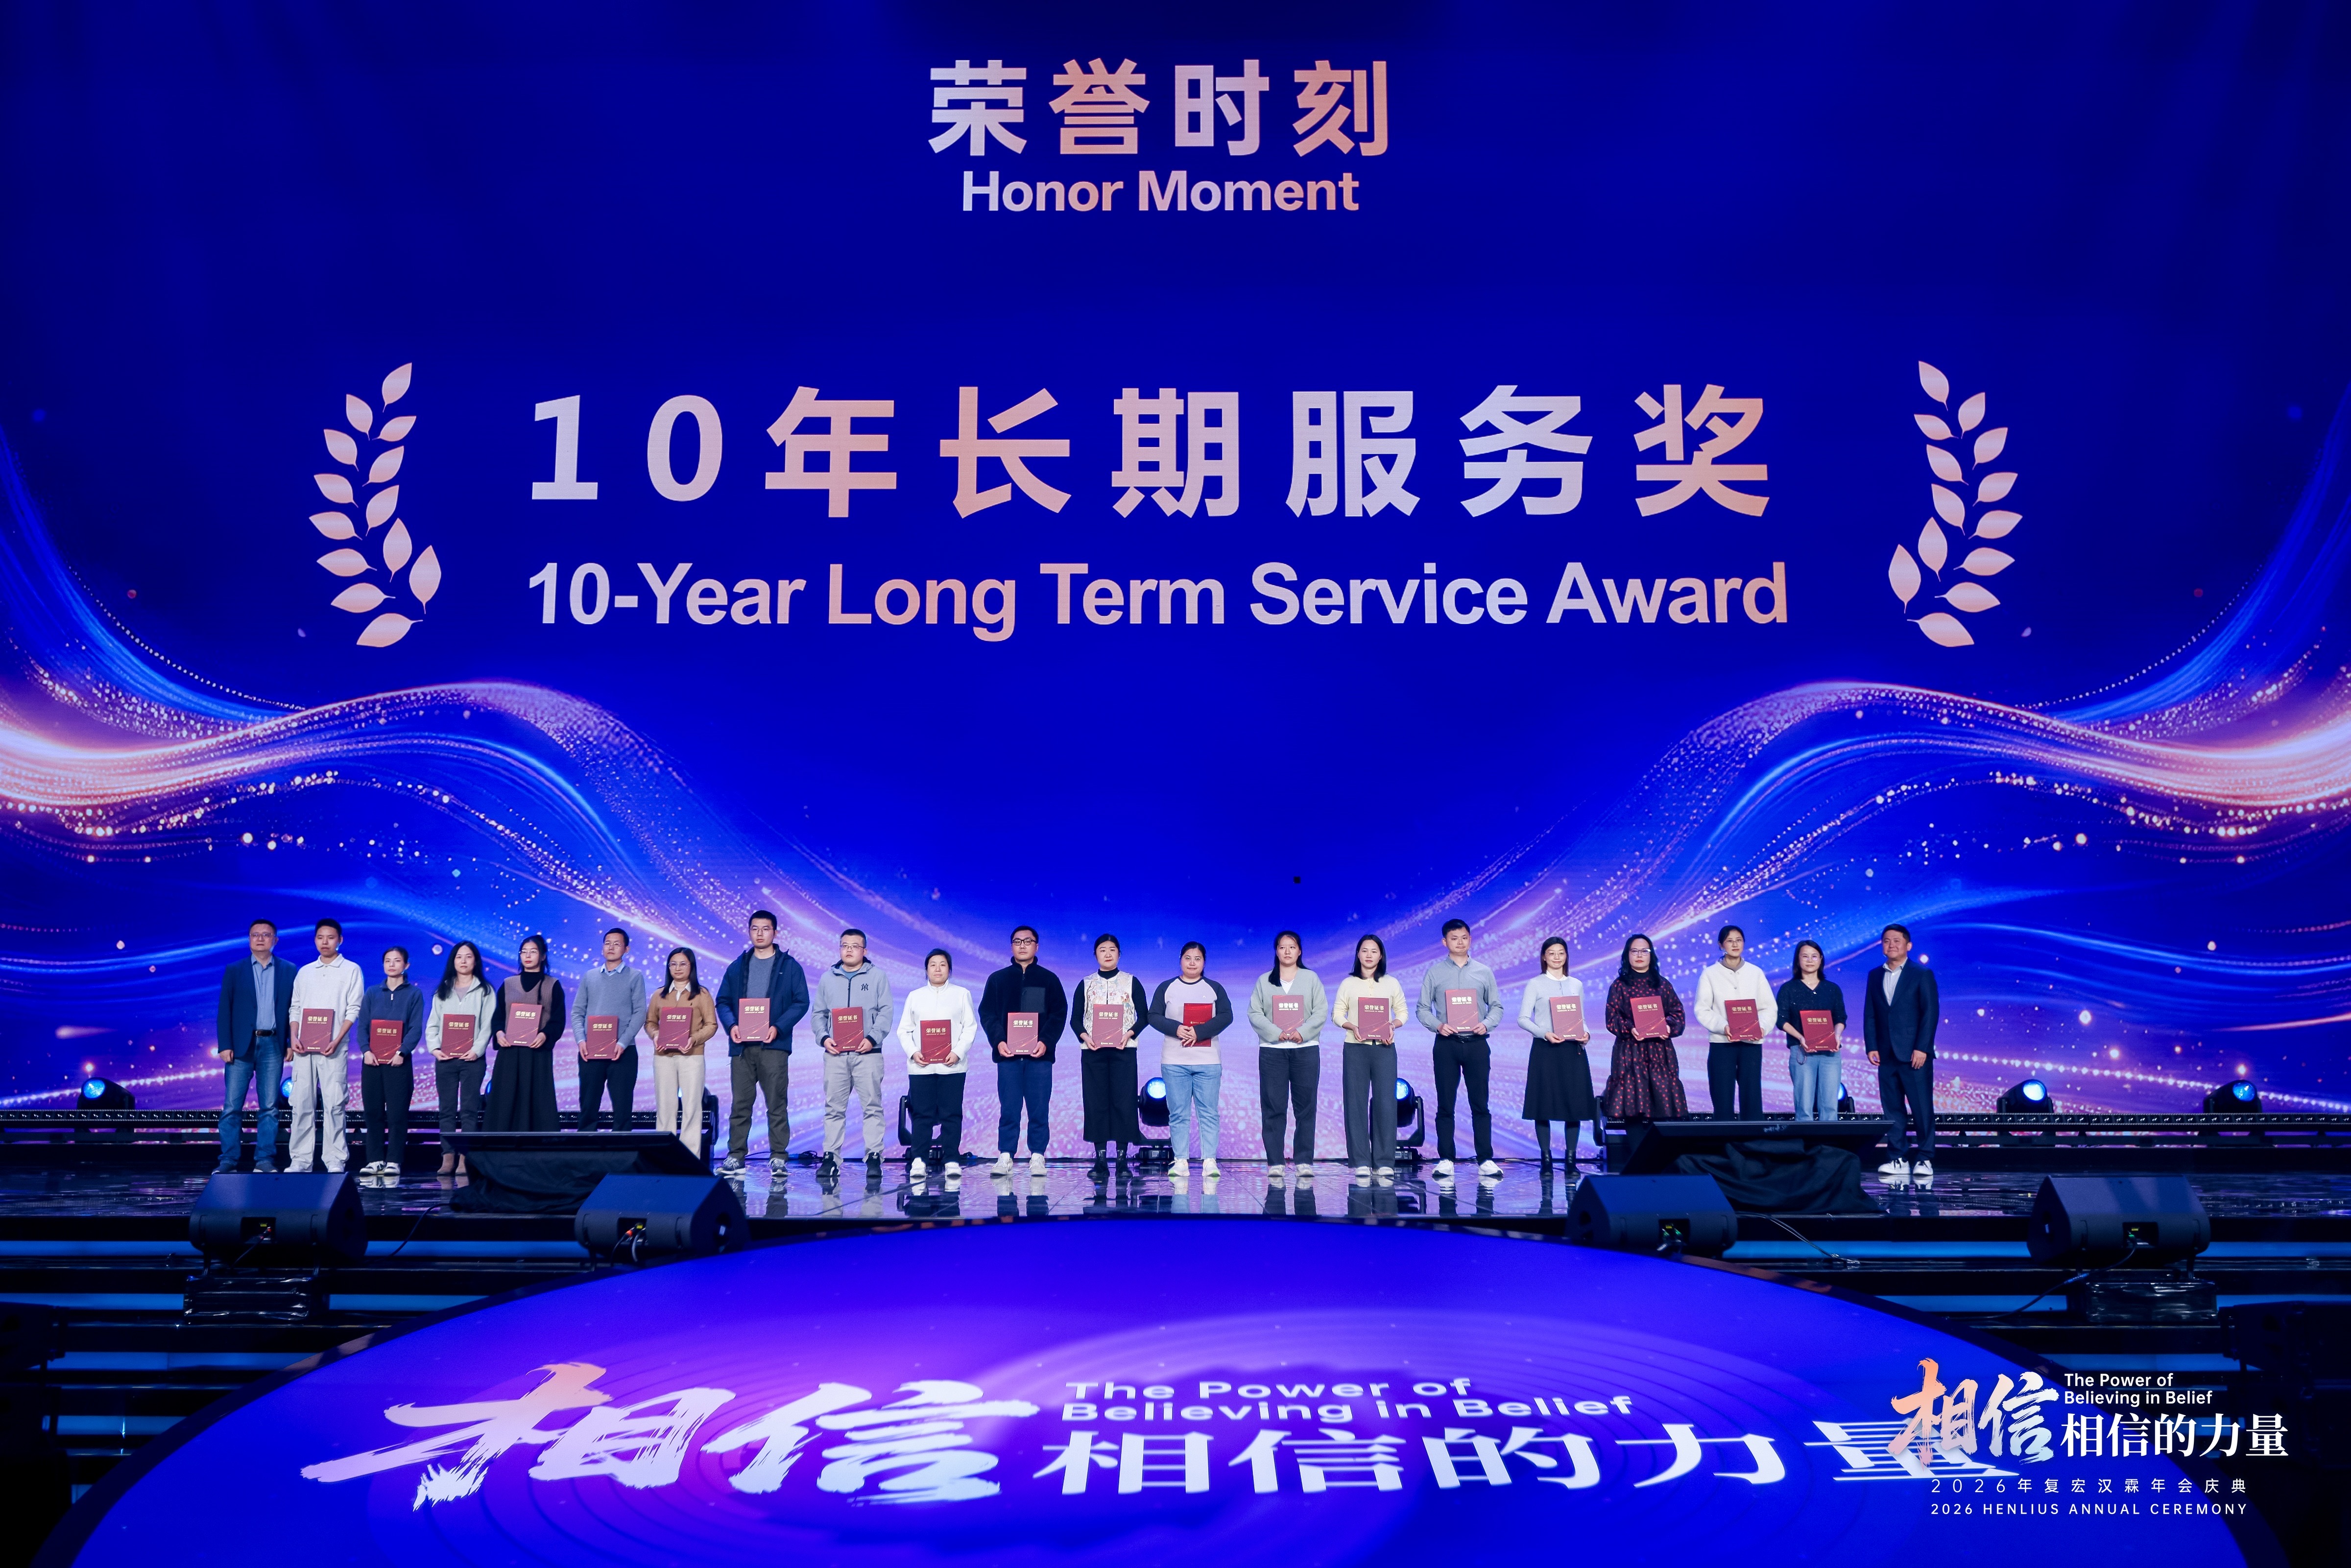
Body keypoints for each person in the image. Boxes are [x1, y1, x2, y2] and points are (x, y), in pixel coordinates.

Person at [715, 910, 810, 1173]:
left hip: (774, 1047)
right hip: (742, 1047)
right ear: (749, 932)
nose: (760, 934)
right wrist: (732, 1026)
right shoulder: (737, 967)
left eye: (766, 929)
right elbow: (722, 1001)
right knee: (740, 1104)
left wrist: (778, 1027)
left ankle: (778, 1156)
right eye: (755, 929)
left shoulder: (789, 967)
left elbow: (801, 1002)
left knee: (777, 1104)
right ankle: (736, 1156)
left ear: (775, 933)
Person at [1416, 918, 1505, 1179]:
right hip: (1447, 1045)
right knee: (1446, 1104)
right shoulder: (1434, 973)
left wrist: (1486, 1024)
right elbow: (1422, 1009)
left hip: (1477, 1044)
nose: (1460, 942)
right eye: (1454, 939)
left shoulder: (1484, 972)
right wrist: (1438, 1025)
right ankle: (1446, 1159)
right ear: (1445, 942)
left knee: (1481, 1104)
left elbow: (1497, 1007)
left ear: (1470, 940)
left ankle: (1485, 1159)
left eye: (1464, 938)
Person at [979, 926, 1068, 1176]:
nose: (1022, 945)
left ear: (1037, 946)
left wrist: (1046, 1042)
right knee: (1009, 1108)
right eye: (1017, 942)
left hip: (1039, 1057)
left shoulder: (1049, 979)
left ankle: (1038, 1156)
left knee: (1039, 1108)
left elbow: (1059, 1014)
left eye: (1028, 941)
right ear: (1011, 947)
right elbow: (987, 1014)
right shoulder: (998, 979)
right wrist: (999, 1041)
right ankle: (1006, 1155)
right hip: (1008, 1055)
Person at [1147, 942, 1236, 1180]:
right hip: (1175, 1060)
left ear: (1204, 962)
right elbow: (1153, 1016)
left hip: (1208, 1061)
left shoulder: (1214, 988)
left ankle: (1209, 1161)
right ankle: (1181, 1161)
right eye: (1188, 958)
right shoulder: (1167, 987)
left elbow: (1227, 1016)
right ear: (1180, 960)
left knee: (1208, 1112)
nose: (1192, 963)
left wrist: (1200, 1032)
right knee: (1178, 1113)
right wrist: (1177, 1029)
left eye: (1198, 959)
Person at [213, 918, 296, 1173]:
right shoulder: (235, 970)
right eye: (255, 935)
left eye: (266, 935)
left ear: (275, 940)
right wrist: (225, 1044)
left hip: (273, 1045)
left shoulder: (289, 970)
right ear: (249, 939)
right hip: (240, 1046)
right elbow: (224, 1009)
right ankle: (229, 1160)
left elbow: (294, 1010)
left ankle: (264, 1160)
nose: (260, 939)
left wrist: (290, 1042)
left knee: (269, 1107)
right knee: (232, 1107)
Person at [286, 917, 365, 1173]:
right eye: (320, 938)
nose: (325, 942)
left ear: (340, 940)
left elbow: (354, 1008)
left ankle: (335, 1159)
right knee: (301, 1103)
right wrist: (294, 1037)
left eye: (331, 938)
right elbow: (295, 1007)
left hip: (334, 1048)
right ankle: (300, 1160)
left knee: (334, 1104)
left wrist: (337, 1039)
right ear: (315, 940)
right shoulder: (305, 972)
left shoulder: (351, 970)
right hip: (303, 1048)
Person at [1247, 931, 1327, 1179]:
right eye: (1283, 947)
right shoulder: (1264, 981)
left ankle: (1304, 1161)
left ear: (1300, 951)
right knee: (1273, 1106)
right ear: (1277, 951)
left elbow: (1321, 1011)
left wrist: (1303, 1032)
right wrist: (1275, 1033)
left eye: (1292, 947)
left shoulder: (1311, 978)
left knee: (1306, 1108)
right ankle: (1275, 1162)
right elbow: (1254, 1013)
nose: (1288, 951)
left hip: (1306, 1050)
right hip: (1273, 1052)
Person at [814, 928, 893, 1179]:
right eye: (844, 946)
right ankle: (831, 1157)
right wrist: (824, 1038)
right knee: (833, 1108)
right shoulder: (828, 978)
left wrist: (872, 1039)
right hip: (836, 1055)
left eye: (854, 946)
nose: (848, 950)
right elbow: (818, 1014)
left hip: (868, 1054)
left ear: (865, 951)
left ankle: (874, 1157)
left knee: (872, 1107)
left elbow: (886, 1012)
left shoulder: (878, 976)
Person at [1865, 923, 1940, 1179]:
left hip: (1914, 1054)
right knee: (1892, 1109)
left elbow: (1930, 1013)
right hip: (1885, 1055)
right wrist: (1872, 1046)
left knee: (1921, 1108)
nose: (1891, 945)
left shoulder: (1922, 974)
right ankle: (1898, 1158)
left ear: (1908, 945)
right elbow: (1870, 1013)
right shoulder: (1875, 975)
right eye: (1887, 941)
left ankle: (1925, 1158)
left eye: (1897, 941)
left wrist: (1922, 1048)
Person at [1333, 933, 1410, 1179]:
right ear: (1358, 955)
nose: (1369, 955)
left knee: (1386, 1104)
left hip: (1384, 1049)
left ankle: (1384, 1161)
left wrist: (1392, 1026)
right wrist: (1351, 1026)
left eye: (1374, 951)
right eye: (1364, 951)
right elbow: (1337, 1014)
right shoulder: (1348, 984)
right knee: (1355, 1104)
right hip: (1355, 1048)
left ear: (1381, 955)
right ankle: (1361, 1161)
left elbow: (1403, 1012)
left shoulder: (1391, 983)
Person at [1516, 936, 1596, 1169]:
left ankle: (1571, 1160)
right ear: (1544, 957)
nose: (1557, 957)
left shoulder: (1576, 984)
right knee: (1543, 1105)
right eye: (1551, 953)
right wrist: (1544, 1033)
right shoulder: (1535, 984)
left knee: (1575, 1105)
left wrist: (1587, 1034)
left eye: (1561, 953)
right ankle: (1546, 1159)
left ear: (1567, 956)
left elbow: (1581, 1018)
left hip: (1573, 1050)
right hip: (1546, 1050)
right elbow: (1523, 1019)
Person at [897, 948, 976, 1180]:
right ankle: (919, 1160)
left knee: (952, 1114)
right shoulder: (915, 996)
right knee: (922, 1114)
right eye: (933, 965)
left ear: (950, 969)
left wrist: (958, 1053)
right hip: (921, 1067)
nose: (938, 969)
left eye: (943, 965)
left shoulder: (962, 994)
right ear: (926, 970)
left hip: (953, 1066)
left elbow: (970, 1027)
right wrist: (913, 1053)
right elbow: (904, 1030)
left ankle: (951, 1159)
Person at [1076, 933, 1149, 1173]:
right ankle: (1100, 1159)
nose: (1108, 954)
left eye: (1112, 950)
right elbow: (1075, 1019)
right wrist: (1085, 1036)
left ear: (1119, 954)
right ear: (1095, 954)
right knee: (1096, 1101)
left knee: (1124, 1102)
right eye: (1102, 950)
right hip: (1093, 1051)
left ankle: (1122, 1158)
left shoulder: (1131, 982)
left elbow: (1145, 1016)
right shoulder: (1086, 984)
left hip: (1123, 1051)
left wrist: (1130, 1034)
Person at [1602, 934, 1688, 1122]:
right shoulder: (1619, 986)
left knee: (1662, 1110)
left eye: (1644, 951)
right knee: (1633, 1111)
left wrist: (1668, 1027)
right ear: (1627, 955)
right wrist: (1630, 1028)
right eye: (1635, 951)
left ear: (1652, 955)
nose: (1640, 955)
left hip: (1660, 1052)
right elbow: (1612, 1018)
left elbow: (1678, 1014)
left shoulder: (1663, 985)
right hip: (1629, 1053)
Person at [1695, 923, 1777, 1119]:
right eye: (1730, 941)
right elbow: (1702, 1009)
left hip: (1751, 1044)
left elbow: (1769, 1007)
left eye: (1739, 940)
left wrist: (1762, 1028)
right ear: (1721, 945)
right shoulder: (1710, 974)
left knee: (1752, 1097)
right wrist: (1723, 1027)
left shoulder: (1755, 973)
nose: (1735, 945)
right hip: (1722, 1043)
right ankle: (1724, 1138)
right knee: (1722, 1097)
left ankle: (1753, 1137)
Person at [426, 941, 495, 1175]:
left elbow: (488, 1025)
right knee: (446, 1109)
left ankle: (465, 1159)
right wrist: (435, 1049)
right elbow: (433, 1024)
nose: (463, 961)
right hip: (445, 1060)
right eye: (459, 957)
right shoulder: (443, 990)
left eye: (468, 957)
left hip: (472, 1060)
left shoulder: (485, 990)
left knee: (469, 1109)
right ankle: (447, 1157)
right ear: (453, 961)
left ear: (476, 961)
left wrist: (477, 1050)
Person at [355, 945, 425, 1176]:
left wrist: (402, 1052)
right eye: (387, 960)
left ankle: (394, 1160)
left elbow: (415, 1028)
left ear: (407, 965)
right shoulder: (373, 992)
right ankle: (374, 1160)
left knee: (397, 1114)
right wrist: (366, 1051)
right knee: (373, 1113)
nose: (392, 964)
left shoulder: (414, 994)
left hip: (399, 1063)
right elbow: (363, 1027)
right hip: (372, 1062)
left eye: (397, 960)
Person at [571, 927, 647, 1133]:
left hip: (623, 1052)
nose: (611, 947)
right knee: (588, 1108)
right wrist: (581, 1040)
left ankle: (620, 1150)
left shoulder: (635, 976)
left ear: (627, 949)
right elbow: (577, 1012)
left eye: (617, 944)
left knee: (622, 1111)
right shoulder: (590, 976)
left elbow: (640, 1013)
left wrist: (623, 1042)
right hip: (591, 1051)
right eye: (607, 943)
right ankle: (586, 1149)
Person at [488, 933, 566, 1132]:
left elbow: (558, 1020)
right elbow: (498, 1016)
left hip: (537, 1052)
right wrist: (499, 1034)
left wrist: (545, 1035)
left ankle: (539, 1144)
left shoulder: (553, 985)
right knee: (506, 1098)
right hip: (510, 1053)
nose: (528, 956)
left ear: (543, 956)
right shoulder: (508, 984)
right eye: (524, 952)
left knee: (537, 1098)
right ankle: (501, 1144)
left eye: (533, 952)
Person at [647, 947, 718, 1154]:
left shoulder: (702, 994)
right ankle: (665, 1157)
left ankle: (690, 1157)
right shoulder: (659, 995)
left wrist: (694, 1039)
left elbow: (712, 1025)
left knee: (692, 1108)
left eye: (683, 964)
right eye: (673, 964)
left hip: (692, 1057)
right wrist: (655, 1035)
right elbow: (650, 1022)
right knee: (665, 1108)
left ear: (691, 967)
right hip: (663, 1058)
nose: (677, 968)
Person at [1776, 940, 1849, 1123]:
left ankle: (1828, 1140)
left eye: (1814, 956)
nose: (1810, 960)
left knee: (1830, 1107)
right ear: (1798, 960)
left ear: (1821, 960)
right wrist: (1801, 1037)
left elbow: (1841, 1018)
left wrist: (1837, 1036)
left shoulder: (1832, 989)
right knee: (1804, 1107)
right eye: (1805, 956)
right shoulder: (1788, 989)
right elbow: (1781, 1020)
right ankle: (1806, 1141)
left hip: (1830, 1053)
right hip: (1802, 1052)